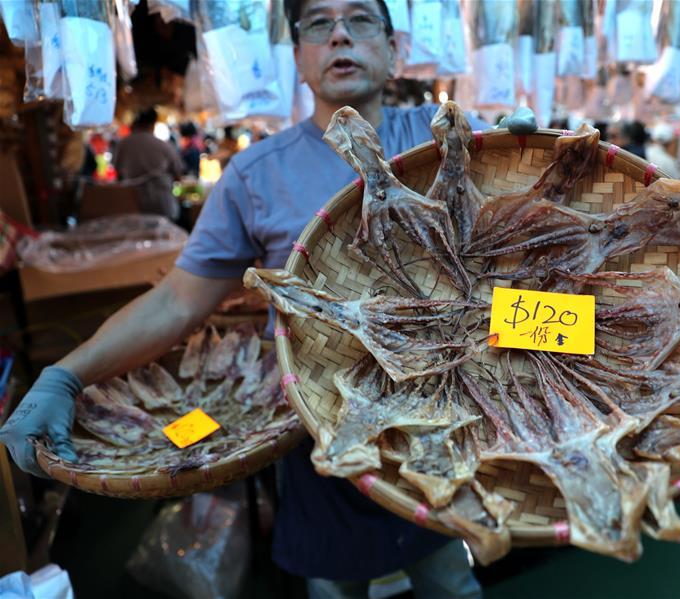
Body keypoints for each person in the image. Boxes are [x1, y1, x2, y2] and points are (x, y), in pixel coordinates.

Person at [0, 2, 485, 597]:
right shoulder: (256, 175)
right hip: (320, 438)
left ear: (392, 49)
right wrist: (65, 375)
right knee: (335, 587)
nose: (338, 34)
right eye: (318, 24)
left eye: (360, 19)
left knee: (448, 578)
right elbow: (177, 302)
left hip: (448, 421)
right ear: (300, 59)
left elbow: (523, 260)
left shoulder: (452, 139)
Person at [113, 108, 184, 220]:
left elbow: (118, 175)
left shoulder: (122, 145)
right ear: (153, 124)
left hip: (131, 204)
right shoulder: (162, 145)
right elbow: (178, 174)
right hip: (161, 204)